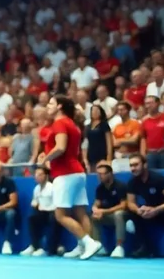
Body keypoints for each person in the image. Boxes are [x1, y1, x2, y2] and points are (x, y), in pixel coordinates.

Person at [43, 96, 102, 260]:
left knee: (60, 215)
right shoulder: (73, 124)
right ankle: (83, 246)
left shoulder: (60, 123)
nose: (47, 106)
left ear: (59, 106)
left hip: (66, 174)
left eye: (50, 103)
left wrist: (45, 158)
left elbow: (60, 147)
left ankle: (89, 242)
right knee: (80, 212)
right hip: (77, 172)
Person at [91, 162, 128, 258]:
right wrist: (95, 209)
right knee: (93, 216)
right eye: (98, 174)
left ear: (110, 174)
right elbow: (97, 202)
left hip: (123, 216)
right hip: (108, 216)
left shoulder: (120, 186)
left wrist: (104, 211)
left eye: (102, 174)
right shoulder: (100, 188)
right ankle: (98, 246)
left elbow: (123, 206)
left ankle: (119, 247)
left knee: (118, 214)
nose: (99, 177)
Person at [22, 165, 59, 256]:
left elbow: (57, 204)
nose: (37, 176)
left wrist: (44, 208)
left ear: (46, 176)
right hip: (41, 212)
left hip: (52, 212)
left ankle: (48, 249)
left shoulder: (52, 187)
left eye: (40, 174)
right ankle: (35, 246)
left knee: (52, 218)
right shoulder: (37, 189)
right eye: (36, 174)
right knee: (31, 217)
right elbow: (34, 202)